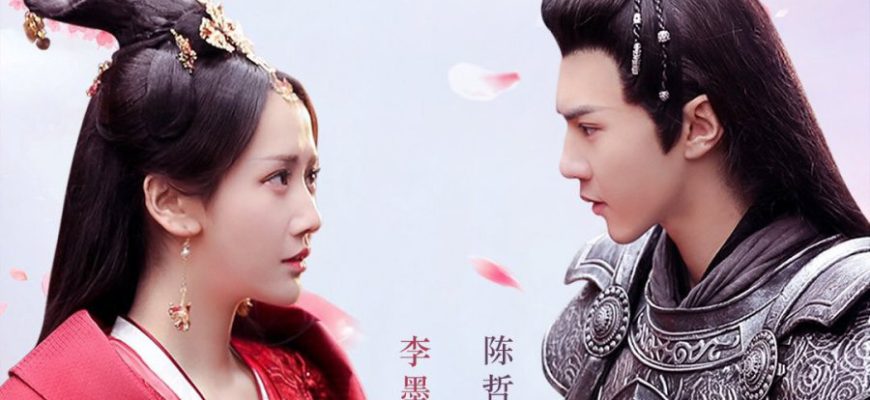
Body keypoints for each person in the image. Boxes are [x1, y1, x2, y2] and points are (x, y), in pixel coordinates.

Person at [0, 0, 366, 398]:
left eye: (310, 177)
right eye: (279, 178)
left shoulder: (310, 379)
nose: (312, 218)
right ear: (170, 203)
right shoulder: (63, 392)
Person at [538, 0, 870, 398]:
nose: (568, 164)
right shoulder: (613, 300)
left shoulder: (841, 336)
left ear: (697, 126)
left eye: (589, 128)